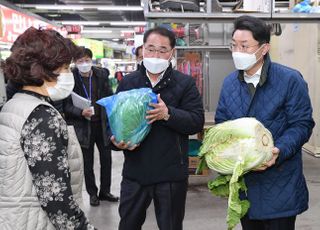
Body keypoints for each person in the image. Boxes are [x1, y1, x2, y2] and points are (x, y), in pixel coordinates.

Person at [215, 15, 315, 230]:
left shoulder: (289, 80)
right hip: (245, 186)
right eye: (234, 45)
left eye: (244, 46)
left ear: (264, 48)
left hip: (280, 184)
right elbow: (222, 124)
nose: (237, 52)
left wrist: (278, 150)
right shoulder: (230, 83)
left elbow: (302, 124)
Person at [0, 27, 95, 229]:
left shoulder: (15, 104)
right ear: (44, 69)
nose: (69, 74)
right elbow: (56, 198)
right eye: (66, 68)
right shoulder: (42, 117)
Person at [112, 27, 204, 230]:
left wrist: (167, 113)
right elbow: (114, 122)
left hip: (170, 174)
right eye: (151, 49)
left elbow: (196, 121)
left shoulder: (185, 83)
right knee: (128, 224)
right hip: (135, 172)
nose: (156, 55)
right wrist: (116, 142)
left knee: (170, 225)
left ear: (172, 53)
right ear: (143, 49)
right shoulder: (129, 83)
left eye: (162, 50)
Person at [64, 48, 119, 206]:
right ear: (75, 63)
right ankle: (93, 193)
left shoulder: (101, 75)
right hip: (83, 126)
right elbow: (66, 106)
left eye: (87, 60)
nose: (84, 64)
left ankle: (105, 191)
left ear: (91, 60)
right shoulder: (70, 78)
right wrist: (81, 112)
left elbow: (108, 95)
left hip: (101, 124)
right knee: (87, 163)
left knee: (106, 159)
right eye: (80, 61)